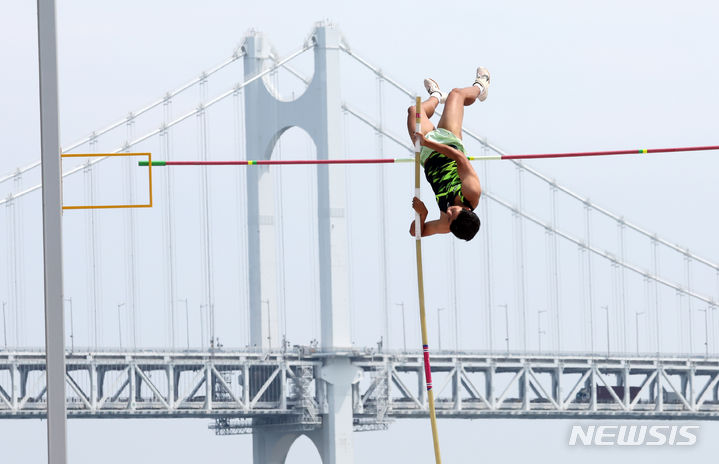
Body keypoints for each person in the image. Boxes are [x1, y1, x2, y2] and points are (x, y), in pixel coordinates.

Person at [407, 67, 489, 241]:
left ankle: (436, 95)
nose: (448, 212)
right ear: (467, 210)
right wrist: (429, 142)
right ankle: (481, 86)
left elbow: (415, 233)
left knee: (414, 111)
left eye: (449, 217)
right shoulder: (472, 192)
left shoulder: (448, 224)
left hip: (427, 155)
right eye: (453, 213)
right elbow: (459, 158)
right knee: (456, 94)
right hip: (448, 141)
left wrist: (423, 215)